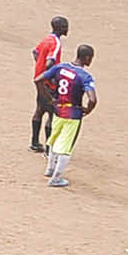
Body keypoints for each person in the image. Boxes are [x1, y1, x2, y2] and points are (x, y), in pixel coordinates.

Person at [36, 43, 97, 189]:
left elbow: (38, 79)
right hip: (72, 114)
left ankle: (49, 169)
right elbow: (93, 99)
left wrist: (50, 99)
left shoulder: (60, 67)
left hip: (58, 109)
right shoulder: (85, 76)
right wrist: (87, 110)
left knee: (54, 139)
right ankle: (56, 178)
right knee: (66, 147)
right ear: (87, 58)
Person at [30, 15, 68, 153]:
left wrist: (38, 67)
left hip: (39, 81)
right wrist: (51, 77)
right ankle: (48, 149)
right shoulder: (56, 43)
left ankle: (34, 143)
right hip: (48, 84)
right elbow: (50, 62)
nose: (67, 28)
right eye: (65, 26)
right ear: (59, 28)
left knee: (40, 110)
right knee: (53, 114)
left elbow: (35, 52)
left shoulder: (47, 39)